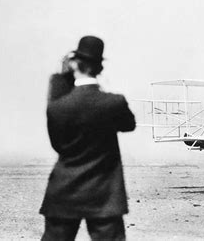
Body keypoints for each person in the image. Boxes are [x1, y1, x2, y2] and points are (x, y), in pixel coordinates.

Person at [40, 36, 136, 241]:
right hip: (105, 194)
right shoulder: (114, 103)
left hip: (64, 190)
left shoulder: (57, 107)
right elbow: (129, 125)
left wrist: (60, 79)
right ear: (100, 67)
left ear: (74, 64)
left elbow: (58, 145)